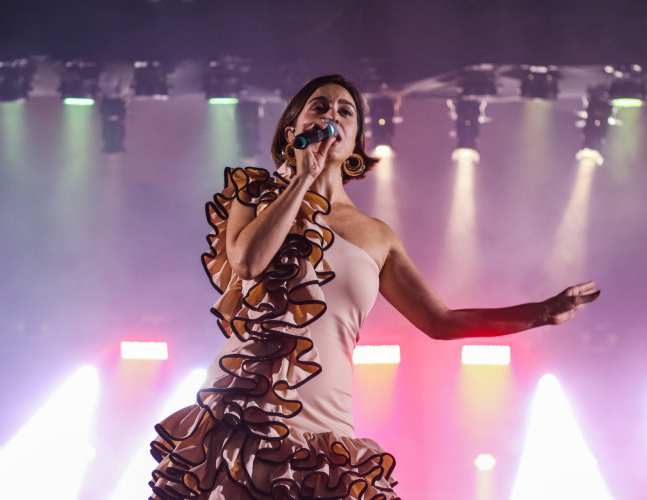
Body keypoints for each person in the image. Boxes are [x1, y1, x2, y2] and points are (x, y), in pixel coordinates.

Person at [148, 74, 600, 499]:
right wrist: (303, 179)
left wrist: (540, 313)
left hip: (329, 423)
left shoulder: (377, 235)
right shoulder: (254, 195)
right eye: (319, 107)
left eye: (346, 111)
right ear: (293, 129)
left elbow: (439, 321)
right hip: (246, 413)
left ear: (357, 140)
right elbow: (248, 262)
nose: (332, 117)